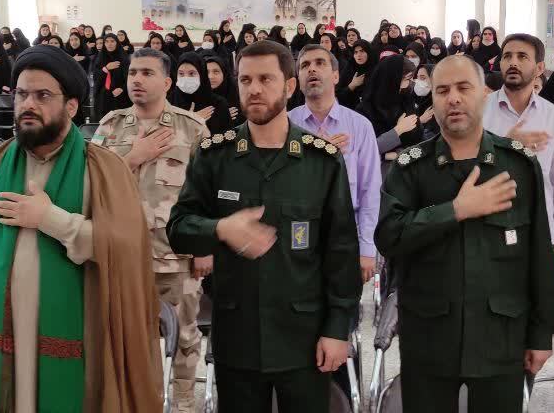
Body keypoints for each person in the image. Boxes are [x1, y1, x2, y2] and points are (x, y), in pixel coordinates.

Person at [0, 46, 162, 412]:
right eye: (22, 94)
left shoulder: (104, 170)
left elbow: (126, 250)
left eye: (43, 95)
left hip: (83, 344)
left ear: (71, 106)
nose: (28, 104)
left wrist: (49, 219)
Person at [168, 40, 361, 413]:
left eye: (265, 79)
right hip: (237, 338)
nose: (254, 89)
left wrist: (338, 329)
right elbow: (178, 229)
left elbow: (341, 252)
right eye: (245, 80)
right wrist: (220, 229)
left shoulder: (321, 161)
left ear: (289, 86)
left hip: (304, 339)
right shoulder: (214, 157)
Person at [375, 55, 554, 412]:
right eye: (442, 91)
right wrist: (455, 210)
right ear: (432, 100)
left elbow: (539, 254)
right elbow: (388, 237)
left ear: (484, 95)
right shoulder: (411, 167)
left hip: (500, 336)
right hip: (429, 337)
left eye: (464, 88)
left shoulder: (518, 165)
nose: (453, 99)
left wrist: (541, 334)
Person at [95, 48, 210, 413]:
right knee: (129, 339)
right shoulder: (111, 126)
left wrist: (204, 247)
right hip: (122, 258)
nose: (137, 80)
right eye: (133, 73)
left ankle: (184, 404)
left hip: (175, 257)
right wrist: (132, 157)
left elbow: (209, 193)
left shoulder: (191, 128)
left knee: (185, 337)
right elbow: (91, 184)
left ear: (167, 82)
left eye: (147, 73)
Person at [288, 45, 382, 285]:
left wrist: (367, 247)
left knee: (343, 304)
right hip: (296, 235)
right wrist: (316, 154)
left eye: (320, 63)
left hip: (345, 234)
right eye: (305, 65)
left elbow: (370, 191)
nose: (312, 69)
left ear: (336, 76)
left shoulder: (360, 126)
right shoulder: (285, 125)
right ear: (297, 80)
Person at [481, 34, 554, 257]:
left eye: (522, 57)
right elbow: (465, 170)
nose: (513, 62)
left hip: (539, 233)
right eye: (507, 56)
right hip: (486, 231)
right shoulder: (478, 111)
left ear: (540, 67)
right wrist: (504, 145)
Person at [357, 55, 421, 154]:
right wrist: (398, 130)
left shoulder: (405, 99)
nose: (411, 83)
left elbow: (418, 136)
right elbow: (363, 149)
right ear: (393, 79)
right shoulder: (365, 110)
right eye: (407, 79)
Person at [168, 52, 232, 134]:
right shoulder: (169, 101)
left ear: (202, 75)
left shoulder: (218, 104)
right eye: (181, 74)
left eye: (191, 73)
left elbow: (227, 137)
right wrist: (188, 121)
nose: (186, 78)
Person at [205, 54, 242, 126]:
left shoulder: (236, 95)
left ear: (224, 74)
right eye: (206, 72)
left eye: (216, 72)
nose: (210, 76)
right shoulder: (197, 97)